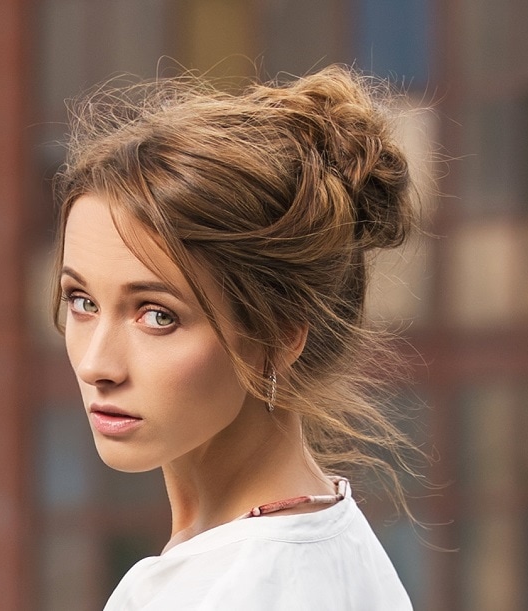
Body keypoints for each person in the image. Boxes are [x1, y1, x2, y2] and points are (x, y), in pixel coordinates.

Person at [52, 64, 421, 610]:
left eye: (157, 315)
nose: (96, 365)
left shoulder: (238, 589)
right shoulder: (329, 539)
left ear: (279, 333)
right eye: (82, 302)